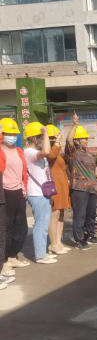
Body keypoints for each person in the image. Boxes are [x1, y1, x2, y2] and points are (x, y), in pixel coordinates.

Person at [66, 115, 97, 250]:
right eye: (84, 138)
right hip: (79, 188)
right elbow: (69, 140)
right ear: (77, 141)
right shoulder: (73, 153)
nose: (87, 140)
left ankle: (90, 235)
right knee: (80, 215)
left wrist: (95, 175)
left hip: (92, 188)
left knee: (91, 214)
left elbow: (95, 167)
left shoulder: (89, 154)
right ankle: (79, 240)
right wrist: (75, 125)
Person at [24, 122, 56, 264]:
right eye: (40, 136)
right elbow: (47, 151)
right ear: (33, 138)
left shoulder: (36, 152)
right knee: (40, 225)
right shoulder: (29, 152)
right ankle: (40, 256)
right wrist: (46, 133)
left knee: (44, 224)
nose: (43, 139)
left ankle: (42, 252)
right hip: (37, 194)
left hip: (44, 192)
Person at [0, 118, 25, 286]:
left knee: (20, 225)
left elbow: (23, 171)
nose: (12, 136)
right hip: (5, 191)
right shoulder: (1, 150)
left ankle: (12, 256)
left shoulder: (18, 151)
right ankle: (4, 261)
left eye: (14, 134)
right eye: (9, 133)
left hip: (18, 191)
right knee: (6, 227)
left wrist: (24, 186)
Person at [45, 125, 72, 255]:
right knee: (54, 215)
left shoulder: (58, 150)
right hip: (54, 186)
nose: (56, 139)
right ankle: (53, 244)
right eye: (52, 137)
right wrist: (56, 142)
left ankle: (58, 241)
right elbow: (51, 156)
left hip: (62, 185)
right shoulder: (48, 151)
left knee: (61, 214)